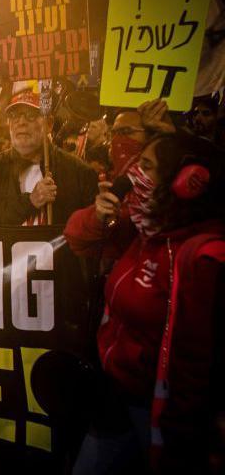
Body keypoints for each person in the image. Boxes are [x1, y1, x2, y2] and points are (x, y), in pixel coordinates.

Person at [64, 132, 224, 473]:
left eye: (147, 166)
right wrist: (98, 214)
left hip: (156, 412)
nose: (133, 175)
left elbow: (195, 363)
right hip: (113, 394)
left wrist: (179, 438)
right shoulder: (146, 231)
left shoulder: (202, 256)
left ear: (186, 183)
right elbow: (76, 236)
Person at [0, 90, 97, 225]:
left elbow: (87, 230)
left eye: (31, 115)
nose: (21, 122)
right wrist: (30, 201)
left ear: (49, 124)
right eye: (14, 115)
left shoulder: (79, 172)